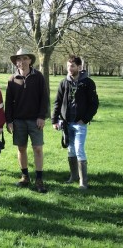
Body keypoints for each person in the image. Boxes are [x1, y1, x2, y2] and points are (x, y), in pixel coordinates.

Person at [5, 48, 49, 193]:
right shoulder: (12, 79)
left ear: (30, 60)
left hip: (35, 120)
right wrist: (9, 121)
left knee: (37, 148)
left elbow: (44, 98)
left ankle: (39, 179)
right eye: (19, 59)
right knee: (21, 148)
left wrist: (42, 116)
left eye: (24, 58)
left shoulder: (38, 77)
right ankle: (25, 176)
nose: (21, 62)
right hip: (18, 121)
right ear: (16, 62)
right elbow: (8, 102)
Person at [51, 56, 98, 190]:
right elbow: (57, 102)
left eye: (72, 66)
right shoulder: (63, 83)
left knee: (79, 149)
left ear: (79, 67)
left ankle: (83, 181)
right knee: (71, 150)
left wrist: (85, 119)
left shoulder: (88, 83)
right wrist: (54, 120)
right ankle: (73, 177)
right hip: (66, 123)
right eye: (68, 66)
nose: (70, 69)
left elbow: (94, 104)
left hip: (80, 123)